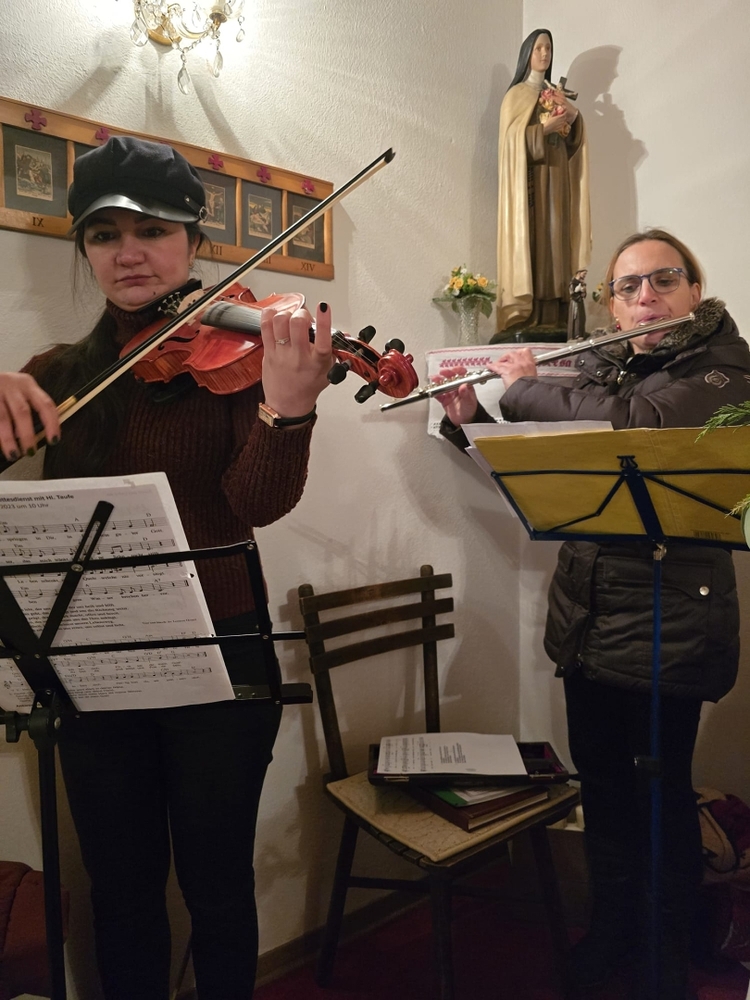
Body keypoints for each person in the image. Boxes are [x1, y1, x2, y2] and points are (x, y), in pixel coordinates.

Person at [0, 136, 335, 1000]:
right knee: (119, 889)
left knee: (217, 887)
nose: (128, 253)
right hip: (90, 663)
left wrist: (288, 410)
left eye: (151, 230)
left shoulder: (236, 361)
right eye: (104, 234)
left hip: (221, 659)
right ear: (85, 249)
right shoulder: (57, 375)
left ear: (192, 242)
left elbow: (255, 503)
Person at [438, 229, 750, 999]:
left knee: (661, 799)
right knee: (604, 793)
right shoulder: (603, 368)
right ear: (611, 305)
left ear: (694, 289)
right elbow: (545, 466)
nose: (645, 299)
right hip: (587, 617)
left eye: (663, 281)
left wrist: (519, 386)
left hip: (671, 623)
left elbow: (635, 424)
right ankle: (609, 933)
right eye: (627, 287)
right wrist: (468, 420)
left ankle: (664, 957)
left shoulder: (726, 366)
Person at [496, 28, 591, 337]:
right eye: (538, 48)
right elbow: (510, 144)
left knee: (558, 237)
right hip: (532, 185)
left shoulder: (556, 93)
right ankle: (532, 314)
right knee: (538, 241)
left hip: (559, 176)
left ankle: (560, 313)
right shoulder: (516, 95)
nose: (544, 53)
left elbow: (575, 142)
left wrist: (572, 117)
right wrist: (544, 129)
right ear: (527, 54)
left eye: (548, 48)